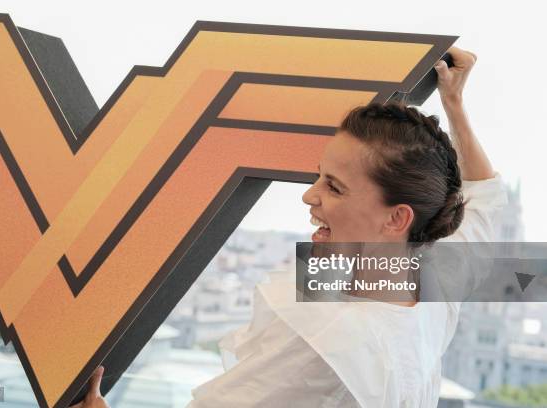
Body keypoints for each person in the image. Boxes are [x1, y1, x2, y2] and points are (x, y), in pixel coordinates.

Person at [70, 46, 508, 407]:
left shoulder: (330, 338)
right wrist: (454, 104)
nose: (308, 195)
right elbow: (484, 199)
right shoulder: (430, 274)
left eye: (334, 187)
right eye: (318, 175)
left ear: (396, 219)